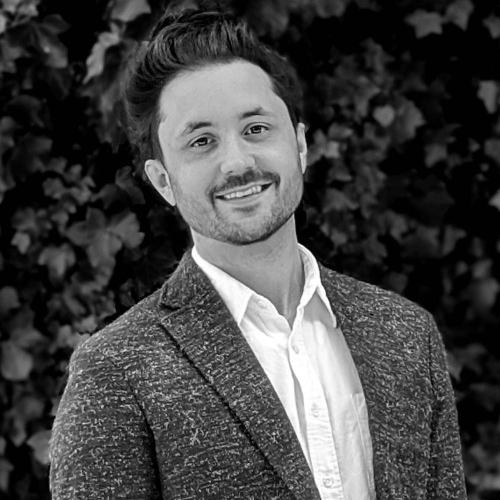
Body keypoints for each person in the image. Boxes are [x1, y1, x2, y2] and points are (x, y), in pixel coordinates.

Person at [49, 7, 467, 500]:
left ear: (300, 145)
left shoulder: (407, 335)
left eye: (256, 129)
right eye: (201, 141)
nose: (237, 162)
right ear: (163, 182)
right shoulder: (115, 371)